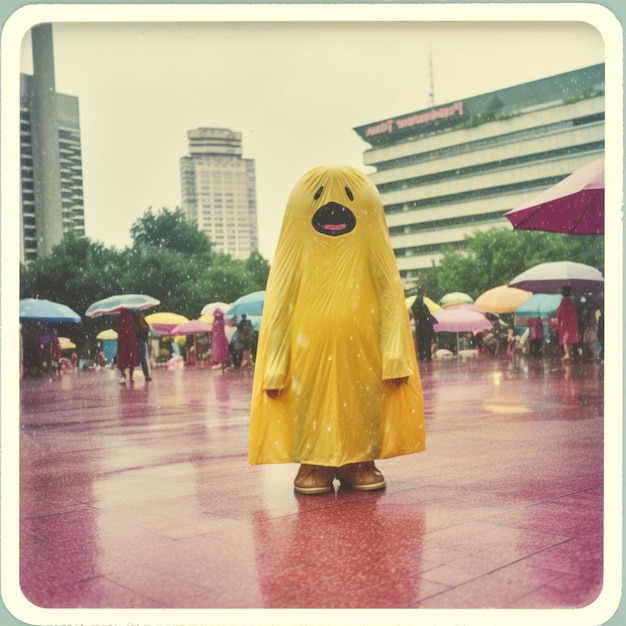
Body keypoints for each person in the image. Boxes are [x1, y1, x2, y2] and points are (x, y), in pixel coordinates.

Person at [248, 164, 426, 495]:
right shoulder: (293, 254)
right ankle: (314, 460)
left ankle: (359, 460)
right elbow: (279, 303)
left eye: (348, 198)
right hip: (306, 349)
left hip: (364, 348)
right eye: (317, 199)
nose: (334, 206)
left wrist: (394, 353)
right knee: (310, 401)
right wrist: (275, 362)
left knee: (362, 401)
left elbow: (390, 295)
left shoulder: (374, 251)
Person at [114, 308, 140, 383]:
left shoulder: (120, 316)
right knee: (127, 358)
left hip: (126, 340)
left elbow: (114, 327)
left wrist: (121, 331)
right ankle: (128, 376)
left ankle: (125, 376)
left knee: (124, 358)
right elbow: (137, 327)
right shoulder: (132, 314)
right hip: (128, 340)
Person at [556, 286, 580, 361]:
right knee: (569, 339)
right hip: (572, 323)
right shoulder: (572, 303)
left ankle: (567, 354)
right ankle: (570, 353)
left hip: (565, 324)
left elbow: (559, 314)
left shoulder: (563, 303)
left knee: (565, 339)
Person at [410, 293, 435, 362]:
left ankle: (421, 357)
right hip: (427, 327)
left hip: (421, 327)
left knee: (421, 343)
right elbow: (429, 317)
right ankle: (428, 357)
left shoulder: (415, 307)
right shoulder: (425, 306)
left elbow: (415, 318)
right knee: (427, 343)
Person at [133, 311, 152, 380]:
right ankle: (147, 375)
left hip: (137, 341)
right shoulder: (141, 321)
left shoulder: (135, 321)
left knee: (140, 359)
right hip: (141, 341)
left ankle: (147, 375)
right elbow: (146, 329)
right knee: (143, 359)